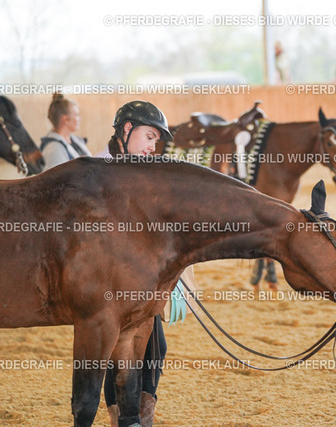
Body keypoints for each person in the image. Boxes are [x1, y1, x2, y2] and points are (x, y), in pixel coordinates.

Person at [99, 101, 195, 427]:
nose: (153, 147)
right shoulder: (99, 170)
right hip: (111, 289)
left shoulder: (140, 171)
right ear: (127, 130)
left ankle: (140, 417)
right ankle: (123, 418)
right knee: (118, 354)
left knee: (155, 349)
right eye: (150, 137)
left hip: (144, 284)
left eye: (156, 141)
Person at [41, 93, 92, 170]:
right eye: (77, 115)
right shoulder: (53, 149)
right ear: (66, 120)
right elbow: (59, 177)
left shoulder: (74, 140)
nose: (80, 119)